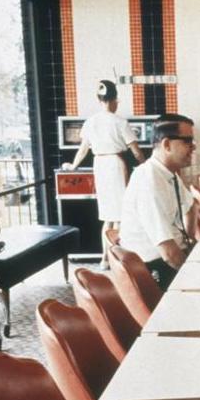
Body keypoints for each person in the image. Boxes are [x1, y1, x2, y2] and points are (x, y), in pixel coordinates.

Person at [62, 80, 144, 266]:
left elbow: (83, 149)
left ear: (99, 100)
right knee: (121, 215)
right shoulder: (120, 122)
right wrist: (146, 166)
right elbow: (136, 151)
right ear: (114, 100)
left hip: (99, 165)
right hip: (116, 163)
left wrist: (73, 167)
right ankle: (119, 258)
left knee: (107, 216)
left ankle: (104, 259)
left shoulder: (91, 122)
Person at [119, 113, 197, 289]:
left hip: (171, 256)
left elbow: (192, 206)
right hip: (154, 269)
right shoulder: (149, 181)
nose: (193, 147)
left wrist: (190, 241)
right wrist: (194, 277)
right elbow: (168, 253)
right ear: (167, 144)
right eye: (187, 141)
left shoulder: (167, 173)